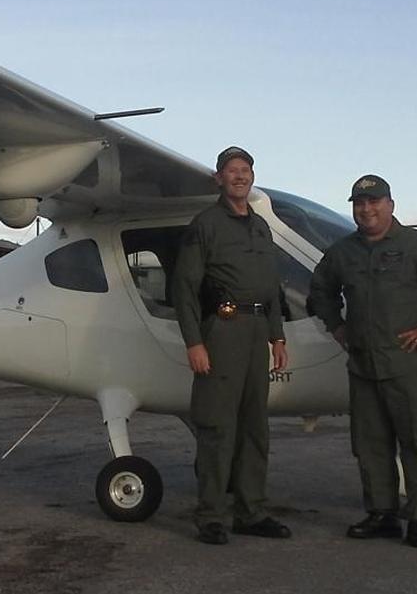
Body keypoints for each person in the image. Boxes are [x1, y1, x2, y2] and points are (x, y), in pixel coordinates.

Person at [307, 174, 417, 549]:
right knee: (370, 445)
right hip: (363, 366)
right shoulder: (343, 252)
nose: (366, 209)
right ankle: (381, 514)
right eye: (359, 203)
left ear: (390, 205)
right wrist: (336, 326)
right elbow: (320, 290)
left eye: (374, 202)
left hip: (406, 363)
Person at [172, 145, 291, 545]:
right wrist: (194, 342)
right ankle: (210, 515)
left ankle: (251, 512)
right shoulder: (205, 225)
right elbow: (184, 288)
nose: (240, 176)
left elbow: (270, 288)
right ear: (219, 178)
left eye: (245, 170)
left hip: (257, 331)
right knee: (217, 425)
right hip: (222, 330)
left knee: (255, 427)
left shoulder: (261, 227)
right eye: (232, 170)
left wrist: (277, 336)